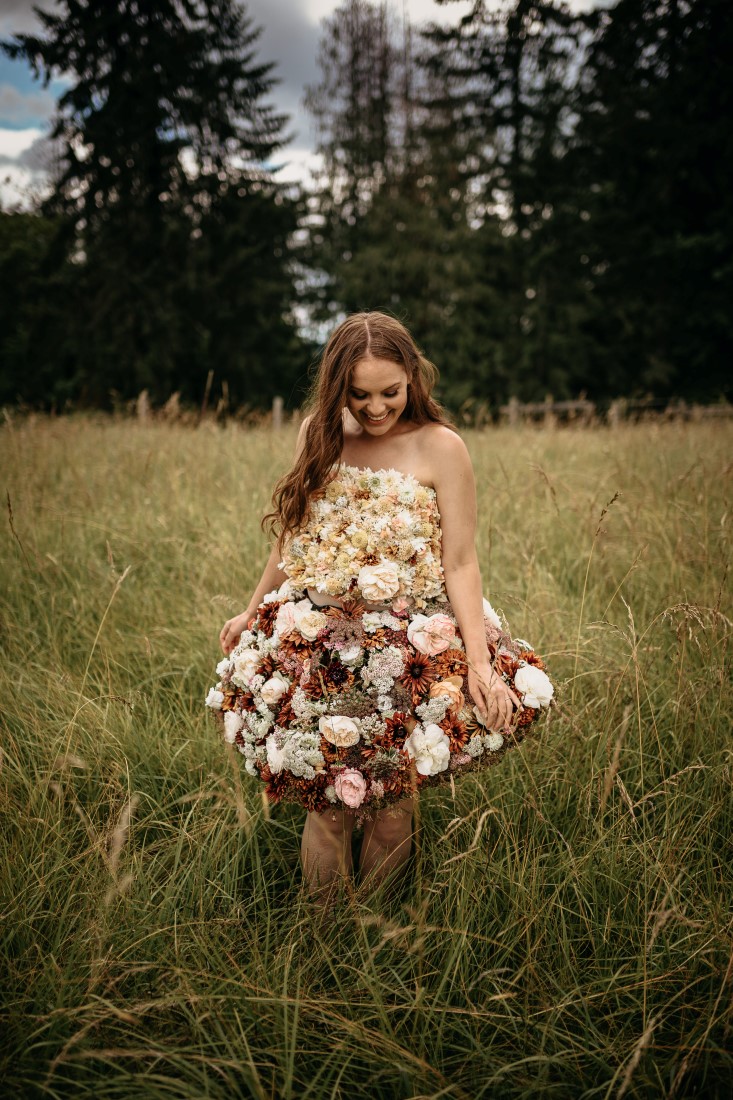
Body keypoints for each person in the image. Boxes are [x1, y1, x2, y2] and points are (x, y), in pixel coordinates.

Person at [209, 311, 551, 903]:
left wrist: (479, 662)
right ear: (337, 387)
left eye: (389, 392)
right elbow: (293, 540)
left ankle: (377, 935)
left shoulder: (442, 447)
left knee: (393, 807)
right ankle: (324, 938)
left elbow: (460, 562)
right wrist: (251, 608)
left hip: (405, 651)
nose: (374, 408)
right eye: (358, 394)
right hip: (319, 648)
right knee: (328, 809)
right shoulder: (319, 433)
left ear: (413, 376)